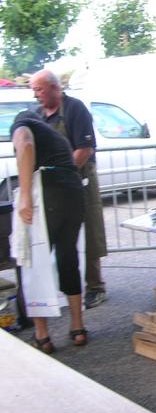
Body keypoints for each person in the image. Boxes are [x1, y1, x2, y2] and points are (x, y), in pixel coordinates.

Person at [29, 70, 108, 309]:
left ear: (55, 87)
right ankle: (58, 290)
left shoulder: (75, 109)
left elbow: (84, 149)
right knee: (56, 236)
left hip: (79, 179)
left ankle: (95, 287)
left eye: (39, 89)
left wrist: (64, 175)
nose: (35, 95)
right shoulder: (37, 114)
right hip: (50, 185)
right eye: (33, 90)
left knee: (89, 231)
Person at [11, 110, 87, 353]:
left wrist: (25, 196)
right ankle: (78, 328)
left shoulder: (22, 124)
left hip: (48, 191)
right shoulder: (54, 136)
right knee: (68, 258)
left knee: (34, 261)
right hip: (73, 190)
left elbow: (25, 144)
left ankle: (42, 336)